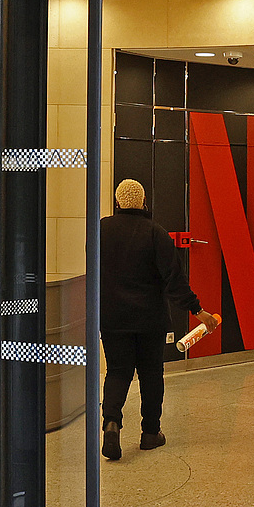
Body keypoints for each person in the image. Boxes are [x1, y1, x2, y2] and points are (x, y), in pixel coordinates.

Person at [98, 179, 218, 461]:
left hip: (113, 318)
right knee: (151, 374)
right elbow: (173, 279)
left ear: (117, 202)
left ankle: (111, 423)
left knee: (117, 372)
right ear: (142, 202)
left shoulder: (100, 230)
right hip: (149, 319)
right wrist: (197, 310)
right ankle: (150, 433)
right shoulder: (155, 233)